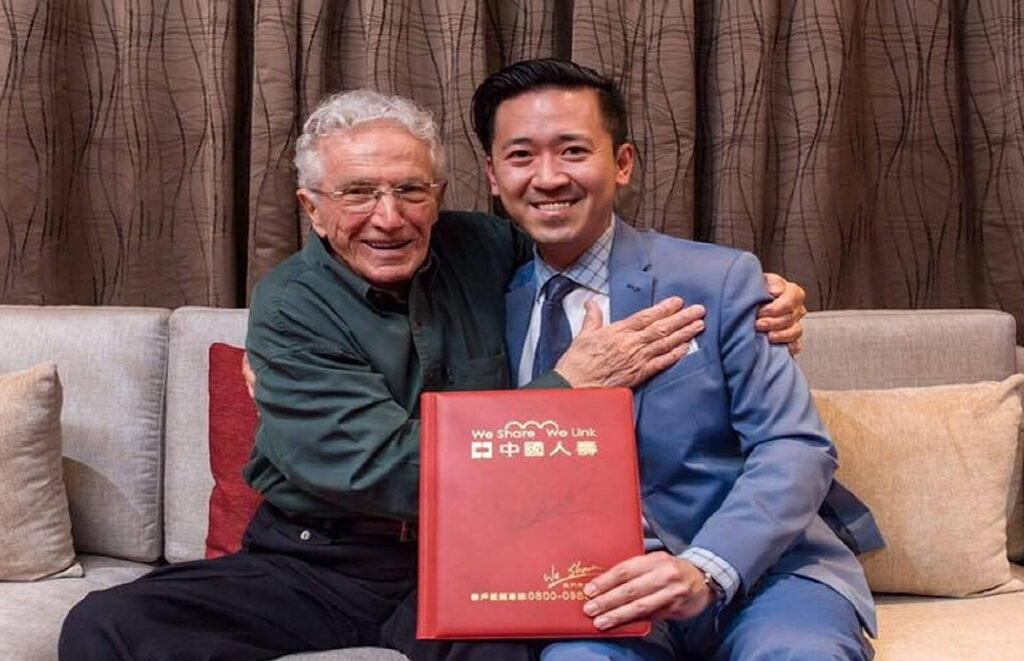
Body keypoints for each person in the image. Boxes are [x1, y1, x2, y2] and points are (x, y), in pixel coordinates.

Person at [57, 89, 806, 661]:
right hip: (321, 557)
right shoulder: (289, 304)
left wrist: (750, 292)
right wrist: (566, 391)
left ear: (440, 196)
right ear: (312, 209)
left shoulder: (485, 247)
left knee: (515, 646)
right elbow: (383, 468)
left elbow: (586, 251)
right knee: (108, 625)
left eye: (410, 190)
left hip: (479, 549)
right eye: (358, 193)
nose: (389, 217)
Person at [472, 59, 884, 661]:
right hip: (598, 589)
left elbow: (794, 445)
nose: (549, 177)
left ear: (622, 163)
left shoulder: (718, 279)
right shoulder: (485, 300)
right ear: (492, 174)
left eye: (574, 151)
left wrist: (706, 567)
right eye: (521, 156)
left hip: (763, 572)